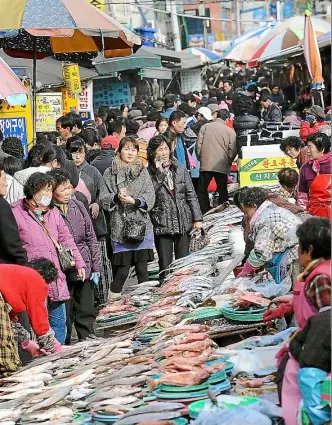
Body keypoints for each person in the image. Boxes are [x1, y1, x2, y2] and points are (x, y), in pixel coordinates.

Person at [266, 217, 331, 425]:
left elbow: (326, 320)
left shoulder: (321, 277)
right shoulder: (315, 272)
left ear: (309, 249)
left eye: (299, 246)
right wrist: (288, 305)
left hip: (318, 352)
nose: (297, 250)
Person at [11, 172, 86, 344]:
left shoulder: (53, 212)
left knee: (59, 322)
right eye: (45, 191)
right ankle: (40, 356)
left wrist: (79, 263)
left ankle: (57, 357)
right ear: (33, 191)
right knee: (36, 323)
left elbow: (66, 239)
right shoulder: (16, 212)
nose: (48, 195)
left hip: (55, 274)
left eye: (50, 190)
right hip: (31, 276)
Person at [49, 169, 101, 343]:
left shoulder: (77, 205)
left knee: (86, 307)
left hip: (83, 263)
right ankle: (65, 344)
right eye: (62, 189)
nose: (67, 192)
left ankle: (87, 338)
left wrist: (95, 266)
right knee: (66, 312)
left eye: (69, 188)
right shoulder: (48, 212)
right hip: (63, 269)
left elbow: (90, 237)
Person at [100, 136, 155, 301]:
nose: (130, 153)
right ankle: (113, 303)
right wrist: (116, 197)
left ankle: (144, 304)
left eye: (133, 149)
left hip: (142, 226)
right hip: (120, 227)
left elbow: (150, 195)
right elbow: (103, 198)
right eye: (126, 149)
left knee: (142, 270)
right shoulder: (110, 172)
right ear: (119, 151)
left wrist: (135, 201)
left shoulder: (143, 171)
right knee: (122, 271)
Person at [147, 136, 202, 277]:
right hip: (162, 223)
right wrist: (159, 173)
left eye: (166, 148)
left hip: (182, 220)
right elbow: (150, 195)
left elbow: (191, 195)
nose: (164, 153)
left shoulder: (180, 169)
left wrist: (197, 219)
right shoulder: (148, 173)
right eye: (160, 149)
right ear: (153, 152)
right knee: (165, 265)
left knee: (183, 263)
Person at [66, 136, 111, 304]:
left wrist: (97, 203)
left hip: (95, 225)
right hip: (75, 230)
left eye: (80, 153)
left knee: (100, 261)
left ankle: (102, 297)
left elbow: (103, 193)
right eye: (73, 153)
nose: (77, 156)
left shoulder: (92, 172)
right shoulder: (67, 173)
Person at [0, 260, 64, 377]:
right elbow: (40, 323)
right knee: (6, 360)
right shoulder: (36, 280)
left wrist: (26, 342)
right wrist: (55, 348)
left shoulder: (16, 275)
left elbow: (10, 321)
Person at [237, 187, 301, 282]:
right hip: (301, 253)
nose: (247, 216)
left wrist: (245, 271)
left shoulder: (264, 220)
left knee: (298, 292)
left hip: (295, 259)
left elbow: (261, 252)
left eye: (247, 212)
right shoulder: (273, 209)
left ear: (254, 206)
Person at [196, 109, 237, 214]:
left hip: (206, 163)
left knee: (202, 189)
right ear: (227, 119)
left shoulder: (204, 127)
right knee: (222, 189)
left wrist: (200, 158)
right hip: (221, 164)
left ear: (216, 116)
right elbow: (232, 150)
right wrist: (229, 161)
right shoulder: (230, 131)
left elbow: (198, 146)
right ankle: (223, 209)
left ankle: (204, 209)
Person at [298, 133, 331, 219]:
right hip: (314, 216)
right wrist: (305, 216)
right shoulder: (305, 168)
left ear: (322, 149)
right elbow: (302, 195)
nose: (307, 151)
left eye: (310, 147)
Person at [0, 165, 27, 265]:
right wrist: (23, 262)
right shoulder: (1, 205)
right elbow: (11, 241)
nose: (6, 184)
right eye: (3, 179)